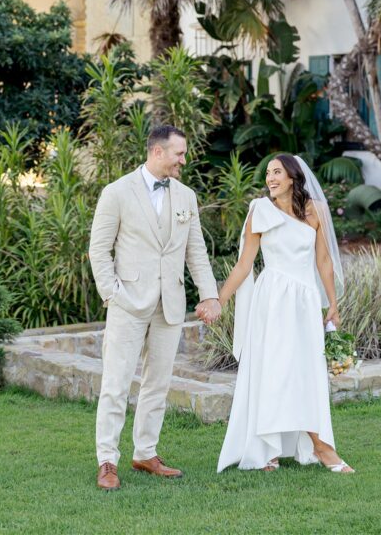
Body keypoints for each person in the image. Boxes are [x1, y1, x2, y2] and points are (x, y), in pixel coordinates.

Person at [89, 124, 221, 491]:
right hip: (127, 303)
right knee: (115, 384)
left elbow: (196, 251)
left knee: (157, 384)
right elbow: (98, 249)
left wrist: (209, 294)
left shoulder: (186, 197)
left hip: (171, 304)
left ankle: (145, 452)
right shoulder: (116, 192)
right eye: (179, 153)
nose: (184, 159)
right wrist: (111, 294)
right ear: (157, 152)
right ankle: (107, 460)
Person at [214, 153, 355, 474]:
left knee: (307, 372)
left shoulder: (316, 211)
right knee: (274, 371)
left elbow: (324, 262)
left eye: (277, 172)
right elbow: (243, 265)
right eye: (267, 174)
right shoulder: (259, 211)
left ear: (293, 177)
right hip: (272, 301)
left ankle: (321, 446)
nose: (270, 178)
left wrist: (332, 304)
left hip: (304, 301)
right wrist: (220, 299)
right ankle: (268, 448)